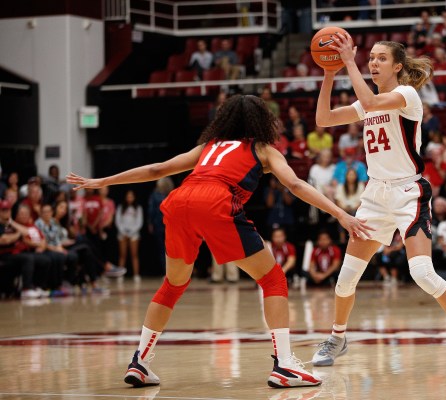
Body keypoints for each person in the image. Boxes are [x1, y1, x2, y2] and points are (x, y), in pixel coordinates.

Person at [66, 94, 372, 389]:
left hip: (180, 199)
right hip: (216, 201)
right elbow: (294, 184)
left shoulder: (208, 146)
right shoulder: (263, 149)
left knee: (172, 284)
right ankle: (284, 364)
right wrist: (341, 215)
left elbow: (158, 169)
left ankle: (139, 362)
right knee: (273, 279)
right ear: (262, 122)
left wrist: (103, 181)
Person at [311, 36, 446, 370]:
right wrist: (328, 71)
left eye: (381, 59)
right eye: (371, 58)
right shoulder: (367, 102)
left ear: (397, 66)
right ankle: (337, 338)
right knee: (346, 279)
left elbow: (369, 100)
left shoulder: (406, 95)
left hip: (409, 192)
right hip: (375, 195)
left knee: (422, 272)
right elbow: (323, 119)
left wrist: (349, 63)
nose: (373, 63)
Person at [116, 190, 144, 282]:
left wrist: (131, 232)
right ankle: (120, 275)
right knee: (122, 255)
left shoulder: (138, 208)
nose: (129, 198)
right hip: (122, 234)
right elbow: (118, 221)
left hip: (134, 234)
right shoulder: (121, 208)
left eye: (131, 196)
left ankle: (136, 275)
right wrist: (123, 232)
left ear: (134, 197)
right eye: (128, 196)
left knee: (134, 255)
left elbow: (139, 222)